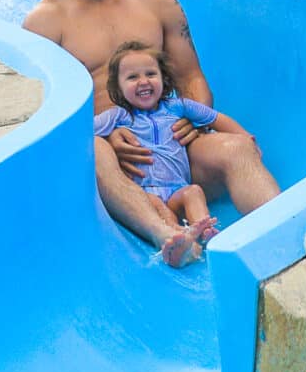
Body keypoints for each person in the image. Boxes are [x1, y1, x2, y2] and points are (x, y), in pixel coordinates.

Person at [23, 0, 281, 267]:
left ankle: (283, 236)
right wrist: (106, 132)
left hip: (172, 147)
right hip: (110, 167)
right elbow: (44, 119)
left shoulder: (156, 0)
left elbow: (191, 76)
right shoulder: (43, 25)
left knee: (238, 149)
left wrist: (189, 121)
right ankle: (171, 237)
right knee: (92, 150)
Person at [95, 40, 248, 248]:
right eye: (132, 77)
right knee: (159, 207)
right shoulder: (118, 117)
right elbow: (83, 131)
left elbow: (215, 118)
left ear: (163, 78)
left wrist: (246, 138)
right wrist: (110, 135)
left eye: (150, 74)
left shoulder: (177, 107)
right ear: (118, 88)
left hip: (178, 188)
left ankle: (205, 230)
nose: (143, 81)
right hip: (146, 192)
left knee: (193, 192)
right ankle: (177, 239)